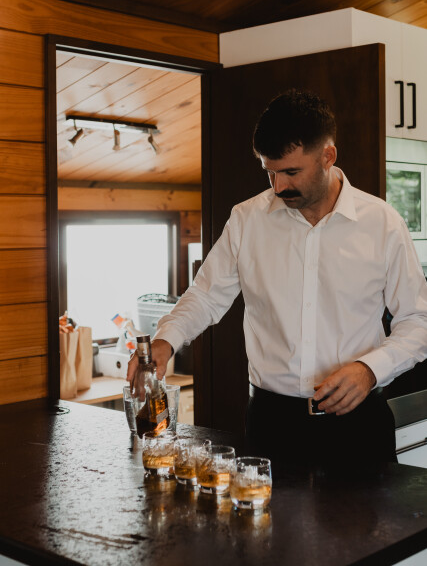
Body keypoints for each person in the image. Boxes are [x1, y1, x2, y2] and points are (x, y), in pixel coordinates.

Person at [128, 88, 427, 469]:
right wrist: (165, 339)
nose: (278, 187)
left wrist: (371, 370)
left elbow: (418, 320)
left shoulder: (383, 223)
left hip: (358, 423)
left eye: (291, 172)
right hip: (271, 425)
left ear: (328, 156)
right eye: (270, 172)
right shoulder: (247, 219)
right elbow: (205, 295)